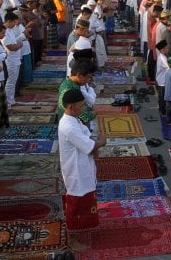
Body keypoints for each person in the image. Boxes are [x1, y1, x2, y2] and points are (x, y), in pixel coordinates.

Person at [58, 89, 106, 251]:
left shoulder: (73, 120)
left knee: (84, 201)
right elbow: (90, 145)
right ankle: (71, 238)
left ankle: (81, 229)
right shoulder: (69, 126)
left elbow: (86, 139)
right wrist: (101, 142)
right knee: (75, 204)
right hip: (76, 171)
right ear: (71, 107)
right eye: (80, 106)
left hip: (82, 166)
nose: (83, 109)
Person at [57, 59, 97, 124]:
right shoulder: (72, 90)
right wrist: (95, 112)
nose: (89, 80)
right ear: (78, 75)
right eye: (88, 77)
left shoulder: (67, 81)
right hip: (71, 125)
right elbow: (86, 117)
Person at [155, 40, 169, 117]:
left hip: (161, 80)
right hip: (162, 81)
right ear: (163, 50)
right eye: (166, 48)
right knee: (162, 97)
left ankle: (162, 110)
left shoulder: (161, 56)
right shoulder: (163, 58)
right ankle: (162, 112)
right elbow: (168, 68)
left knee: (162, 96)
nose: (168, 49)